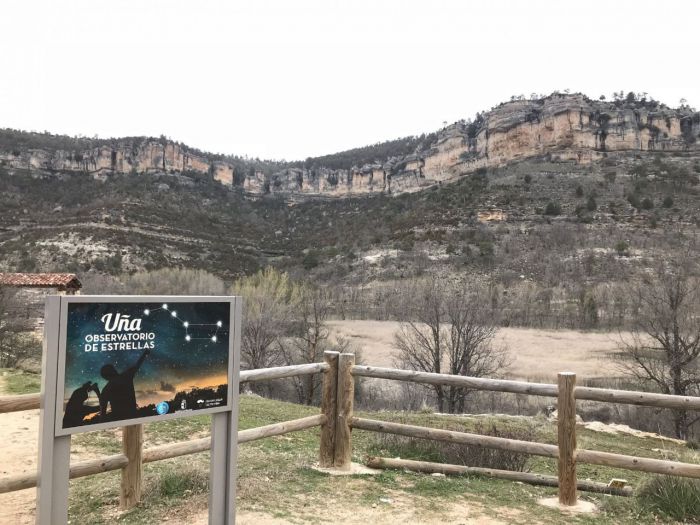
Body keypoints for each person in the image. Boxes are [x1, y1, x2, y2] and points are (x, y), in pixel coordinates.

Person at [99, 348, 150, 421]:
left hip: (118, 419)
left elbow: (102, 414)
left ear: (105, 377)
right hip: (132, 415)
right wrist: (145, 354)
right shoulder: (126, 376)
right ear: (114, 370)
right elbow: (137, 365)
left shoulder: (106, 390)